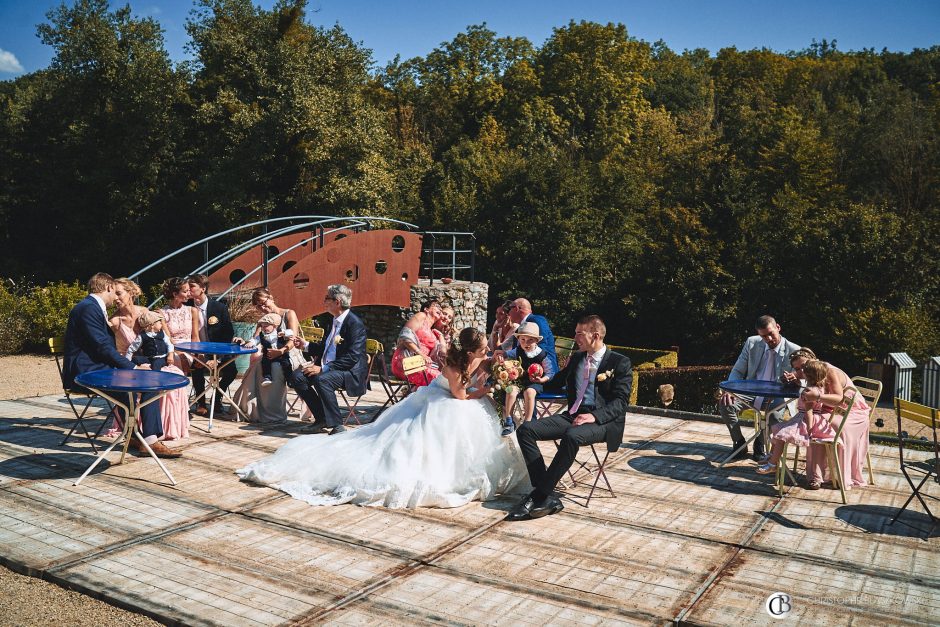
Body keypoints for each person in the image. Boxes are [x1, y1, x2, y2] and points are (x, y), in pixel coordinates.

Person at [236, 328, 528, 508]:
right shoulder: (453, 364)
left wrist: (496, 375)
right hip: (444, 401)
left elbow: (478, 377)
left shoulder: (477, 358)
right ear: (468, 351)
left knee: (476, 416)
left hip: (460, 396)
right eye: (482, 350)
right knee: (448, 423)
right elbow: (461, 396)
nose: (486, 352)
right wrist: (486, 389)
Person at [507, 315, 632, 521]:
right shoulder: (577, 358)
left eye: (579, 334)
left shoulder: (620, 362)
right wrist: (536, 382)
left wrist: (592, 416)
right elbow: (556, 382)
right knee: (525, 430)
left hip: (603, 422)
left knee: (572, 436)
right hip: (572, 414)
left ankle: (538, 496)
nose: (575, 338)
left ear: (596, 335)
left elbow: (620, 403)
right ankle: (546, 496)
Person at [62, 273, 180, 458]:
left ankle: (134, 436)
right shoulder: (89, 308)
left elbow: (102, 347)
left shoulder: (90, 306)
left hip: (95, 368)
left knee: (142, 381)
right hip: (86, 373)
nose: (115, 298)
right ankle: (149, 441)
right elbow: (102, 347)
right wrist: (132, 368)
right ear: (108, 288)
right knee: (147, 382)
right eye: (114, 292)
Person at [109, 278, 190, 441]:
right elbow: (113, 352)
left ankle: (168, 428)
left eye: (119, 293)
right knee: (154, 381)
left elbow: (164, 337)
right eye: (114, 294)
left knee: (175, 375)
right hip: (130, 365)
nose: (116, 298)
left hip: (152, 360)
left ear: (130, 293)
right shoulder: (114, 321)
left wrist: (168, 355)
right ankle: (150, 433)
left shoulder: (144, 312)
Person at [287, 284, 368, 435]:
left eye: (326, 298)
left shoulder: (354, 324)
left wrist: (324, 368)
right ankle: (321, 419)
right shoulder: (333, 320)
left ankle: (337, 426)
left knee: (322, 379)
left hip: (349, 372)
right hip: (329, 368)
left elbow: (352, 357)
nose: (324, 301)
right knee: (297, 377)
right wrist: (305, 345)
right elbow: (326, 347)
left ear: (337, 302)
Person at [719, 315, 801, 461]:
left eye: (771, 334)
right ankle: (739, 442)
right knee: (726, 403)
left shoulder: (794, 350)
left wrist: (795, 377)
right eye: (764, 336)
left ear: (778, 328)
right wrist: (730, 390)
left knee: (775, 415)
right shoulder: (752, 343)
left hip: (777, 395)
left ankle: (760, 442)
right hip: (751, 392)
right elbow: (738, 370)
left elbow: (805, 377)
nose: (768, 339)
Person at [789, 350, 872, 490]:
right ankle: (816, 477)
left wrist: (817, 397)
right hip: (830, 409)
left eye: (803, 366)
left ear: (814, 360)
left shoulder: (829, 371)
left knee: (823, 424)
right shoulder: (811, 371)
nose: (801, 371)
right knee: (816, 422)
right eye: (797, 369)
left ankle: (838, 475)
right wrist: (792, 379)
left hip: (852, 411)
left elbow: (840, 399)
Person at [756, 358, 833, 479]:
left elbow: (808, 411)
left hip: (805, 421)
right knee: (778, 429)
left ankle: (772, 463)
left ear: (808, 376)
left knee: (781, 435)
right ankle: (771, 456)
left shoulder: (809, 392)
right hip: (808, 418)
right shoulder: (818, 388)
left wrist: (810, 429)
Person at [232, 288, 301, 424]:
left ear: (271, 298)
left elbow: (293, 339)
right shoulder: (262, 321)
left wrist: (281, 351)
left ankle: (273, 413)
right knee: (257, 368)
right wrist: (244, 342)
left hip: (288, 353)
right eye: (258, 306)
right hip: (269, 355)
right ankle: (253, 409)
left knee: (273, 368)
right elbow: (256, 340)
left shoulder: (288, 314)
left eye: (264, 303)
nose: (263, 307)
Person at [185, 274, 237, 416]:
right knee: (196, 368)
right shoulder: (186, 308)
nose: (188, 290)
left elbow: (228, 333)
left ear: (203, 288)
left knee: (232, 370)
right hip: (196, 349)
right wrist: (198, 354)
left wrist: (217, 357)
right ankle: (200, 401)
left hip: (217, 350)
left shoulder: (219, 307)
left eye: (192, 287)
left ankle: (218, 396)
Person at [497, 322, 556, 436]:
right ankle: (509, 420)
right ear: (519, 340)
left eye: (530, 340)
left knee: (529, 392)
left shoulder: (541, 355)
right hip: (520, 380)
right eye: (522, 339)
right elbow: (507, 354)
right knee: (510, 390)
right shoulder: (518, 350)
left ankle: (528, 423)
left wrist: (542, 379)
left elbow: (550, 372)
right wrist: (501, 354)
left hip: (534, 382)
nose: (526, 343)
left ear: (536, 341)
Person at [390, 299, 444, 387]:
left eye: (441, 309)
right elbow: (405, 336)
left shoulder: (433, 332)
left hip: (421, 366)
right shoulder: (422, 316)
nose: (440, 310)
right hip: (406, 363)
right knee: (438, 380)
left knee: (444, 379)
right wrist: (421, 354)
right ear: (426, 309)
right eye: (437, 306)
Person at [506, 298, 558, 375]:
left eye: (509, 309)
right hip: (525, 370)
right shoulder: (521, 328)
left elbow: (540, 351)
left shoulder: (537, 320)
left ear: (516, 308)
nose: (508, 313)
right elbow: (515, 352)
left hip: (543, 373)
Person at [245, 312, 294, 387]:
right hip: (268, 355)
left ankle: (289, 379)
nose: (264, 328)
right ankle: (267, 377)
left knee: (286, 363)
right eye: (262, 326)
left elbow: (291, 333)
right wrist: (251, 343)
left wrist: (284, 333)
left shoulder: (280, 332)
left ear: (274, 326)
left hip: (281, 354)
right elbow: (256, 340)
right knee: (265, 363)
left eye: (266, 326)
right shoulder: (262, 334)